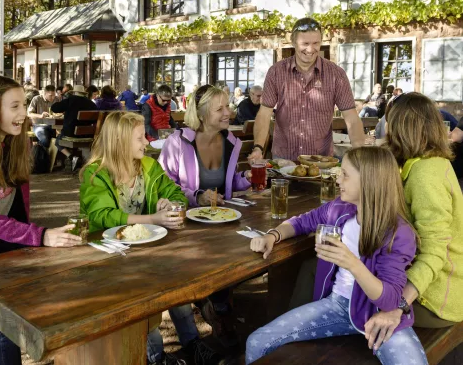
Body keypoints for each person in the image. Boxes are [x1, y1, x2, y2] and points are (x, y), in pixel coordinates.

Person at [246, 146, 426, 365]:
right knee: (257, 342)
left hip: (381, 317)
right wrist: (273, 236)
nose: (337, 179)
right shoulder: (340, 209)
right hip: (337, 306)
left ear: (368, 181)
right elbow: (301, 222)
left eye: (345, 174)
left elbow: (389, 300)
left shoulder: (398, 233)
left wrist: (351, 262)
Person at [79, 111, 226, 365]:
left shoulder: (148, 166)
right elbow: (103, 216)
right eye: (140, 138)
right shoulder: (95, 174)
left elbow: (177, 195)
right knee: (148, 310)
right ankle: (155, 358)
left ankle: (192, 344)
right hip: (108, 258)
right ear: (120, 142)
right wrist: (152, 220)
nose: (147, 142)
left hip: (147, 252)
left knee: (176, 289)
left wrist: (169, 205)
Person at [0, 75, 81, 365]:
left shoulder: (12, 147)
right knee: (5, 316)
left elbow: (19, 212)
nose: (23, 114)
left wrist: (39, 244)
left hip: (5, 252)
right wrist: (42, 236)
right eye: (15, 106)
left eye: (24, 105)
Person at [364, 93, 463, 345]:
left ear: (402, 128)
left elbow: (434, 253)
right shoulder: (428, 161)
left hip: (438, 296)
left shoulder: (424, 174)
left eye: (390, 123)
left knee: (342, 283)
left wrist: (397, 306)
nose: (386, 130)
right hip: (435, 283)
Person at [159, 84, 251, 347]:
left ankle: (219, 306)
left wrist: (246, 177)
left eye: (228, 106)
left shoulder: (232, 142)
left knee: (240, 252)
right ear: (201, 114)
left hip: (222, 219)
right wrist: (196, 196)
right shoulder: (177, 141)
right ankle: (215, 308)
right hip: (186, 223)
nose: (229, 113)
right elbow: (163, 185)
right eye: (220, 108)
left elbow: (229, 183)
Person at [249, 18, 365, 162]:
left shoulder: (336, 74)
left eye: (316, 43)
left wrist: (360, 155)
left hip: (321, 161)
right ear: (293, 42)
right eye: (305, 43)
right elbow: (264, 114)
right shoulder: (276, 72)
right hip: (283, 159)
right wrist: (258, 147)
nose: (311, 49)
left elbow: (351, 117)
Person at [51, 84, 96, 172]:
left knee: (57, 141)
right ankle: (82, 161)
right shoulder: (91, 103)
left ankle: (71, 157)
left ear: (74, 92)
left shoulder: (70, 100)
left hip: (70, 134)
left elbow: (54, 108)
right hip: (87, 134)